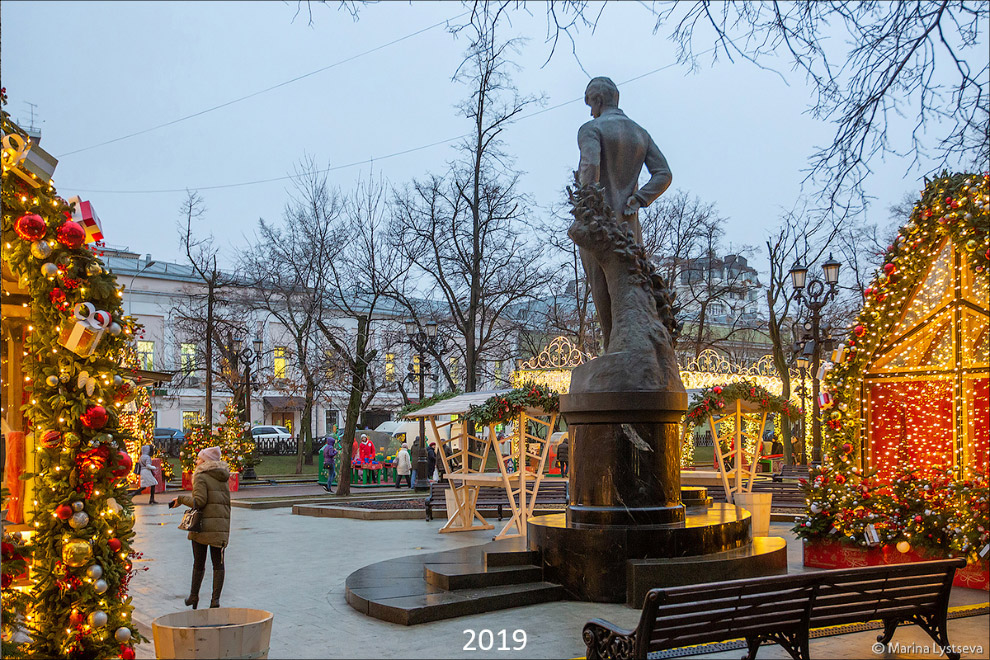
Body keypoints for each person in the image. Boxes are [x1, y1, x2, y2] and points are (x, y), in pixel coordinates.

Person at [577, 76, 672, 350]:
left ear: (597, 100)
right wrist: (639, 199)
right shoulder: (640, 133)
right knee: (629, 287)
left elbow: (590, 168)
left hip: (599, 222)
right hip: (630, 227)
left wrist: (587, 206)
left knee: (602, 286)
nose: (590, 111)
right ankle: (635, 347)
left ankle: (613, 349)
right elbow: (664, 173)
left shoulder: (591, 129)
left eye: (590, 104)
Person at [170, 446, 230, 610]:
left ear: (206, 461)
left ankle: (194, 596)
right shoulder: (222, 476)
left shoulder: (201, 476)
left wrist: (181, 499)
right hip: (221, 525)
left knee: (199, 562)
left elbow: (200, 501)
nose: (196, 461)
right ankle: (215, 600)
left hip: (202, 526)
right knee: (218, 563)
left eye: (199, 458)